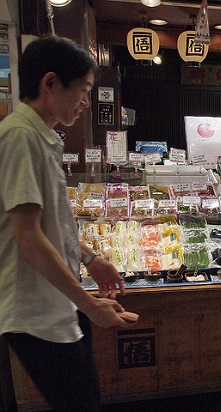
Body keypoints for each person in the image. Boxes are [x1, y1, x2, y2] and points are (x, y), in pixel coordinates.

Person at [0, 36, 138, 412]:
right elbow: (28, 238)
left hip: (58, 298)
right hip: (34, 309)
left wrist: (90, 258)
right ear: (50, 83)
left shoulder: (42, 135)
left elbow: (52, 223)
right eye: (82, 90)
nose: (85, 102)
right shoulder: (19, 136)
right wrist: (91, 307)